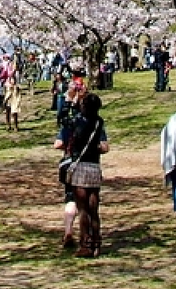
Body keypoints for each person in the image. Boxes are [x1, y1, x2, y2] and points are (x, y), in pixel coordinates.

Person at [54, 93, 108, 258]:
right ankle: (96, 242)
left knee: (83, 208)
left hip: (80, 165)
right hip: (94, 166)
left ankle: (85, 243)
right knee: (94, 208)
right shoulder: (99, 122)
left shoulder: (75, 122)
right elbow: (102, 146)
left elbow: (65, 134)